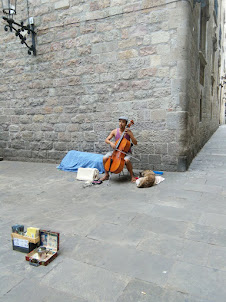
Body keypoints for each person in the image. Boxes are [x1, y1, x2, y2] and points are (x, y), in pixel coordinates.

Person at [100, 116, 137, 182]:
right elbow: (106, 140)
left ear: (126, 124)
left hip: (126, 152)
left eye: (123, 122)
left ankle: (132, 176)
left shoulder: (128, 132)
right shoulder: (114, 131)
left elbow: (135, 143)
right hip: (116, 151)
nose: (120, 123)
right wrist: (111, 143)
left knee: (126, 160)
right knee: (104, 158)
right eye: (120, 121)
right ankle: (106, 175)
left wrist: (130, 135)